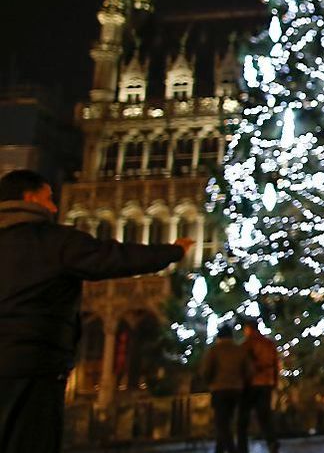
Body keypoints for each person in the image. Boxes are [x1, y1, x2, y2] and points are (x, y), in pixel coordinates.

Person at [0, 169, 194, 453]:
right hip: (34, 363)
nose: (54, 207)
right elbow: (111, 258)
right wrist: (171, 252)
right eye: (48, 199)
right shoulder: (53, 240)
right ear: (29, 198)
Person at [202, 324, 253, 453]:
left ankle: (231, 449)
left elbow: (206, 371)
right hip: (236, 389)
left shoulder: (214, 350)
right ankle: (219, 449)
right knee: (227, 420)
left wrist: (210, 382)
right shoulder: (239, 350)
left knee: (221, 423)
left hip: (219, 389)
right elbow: (249, 371)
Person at [238, 318, 280, 453]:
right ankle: (272, 441)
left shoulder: (246, 345)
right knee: (265, 415)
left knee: (243, 417)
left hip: (251, 384)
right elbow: (275, 365)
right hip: (266, 383)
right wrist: (274, 382)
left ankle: (242, 447)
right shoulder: (269, 344)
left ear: (249, 329)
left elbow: (243, 366)